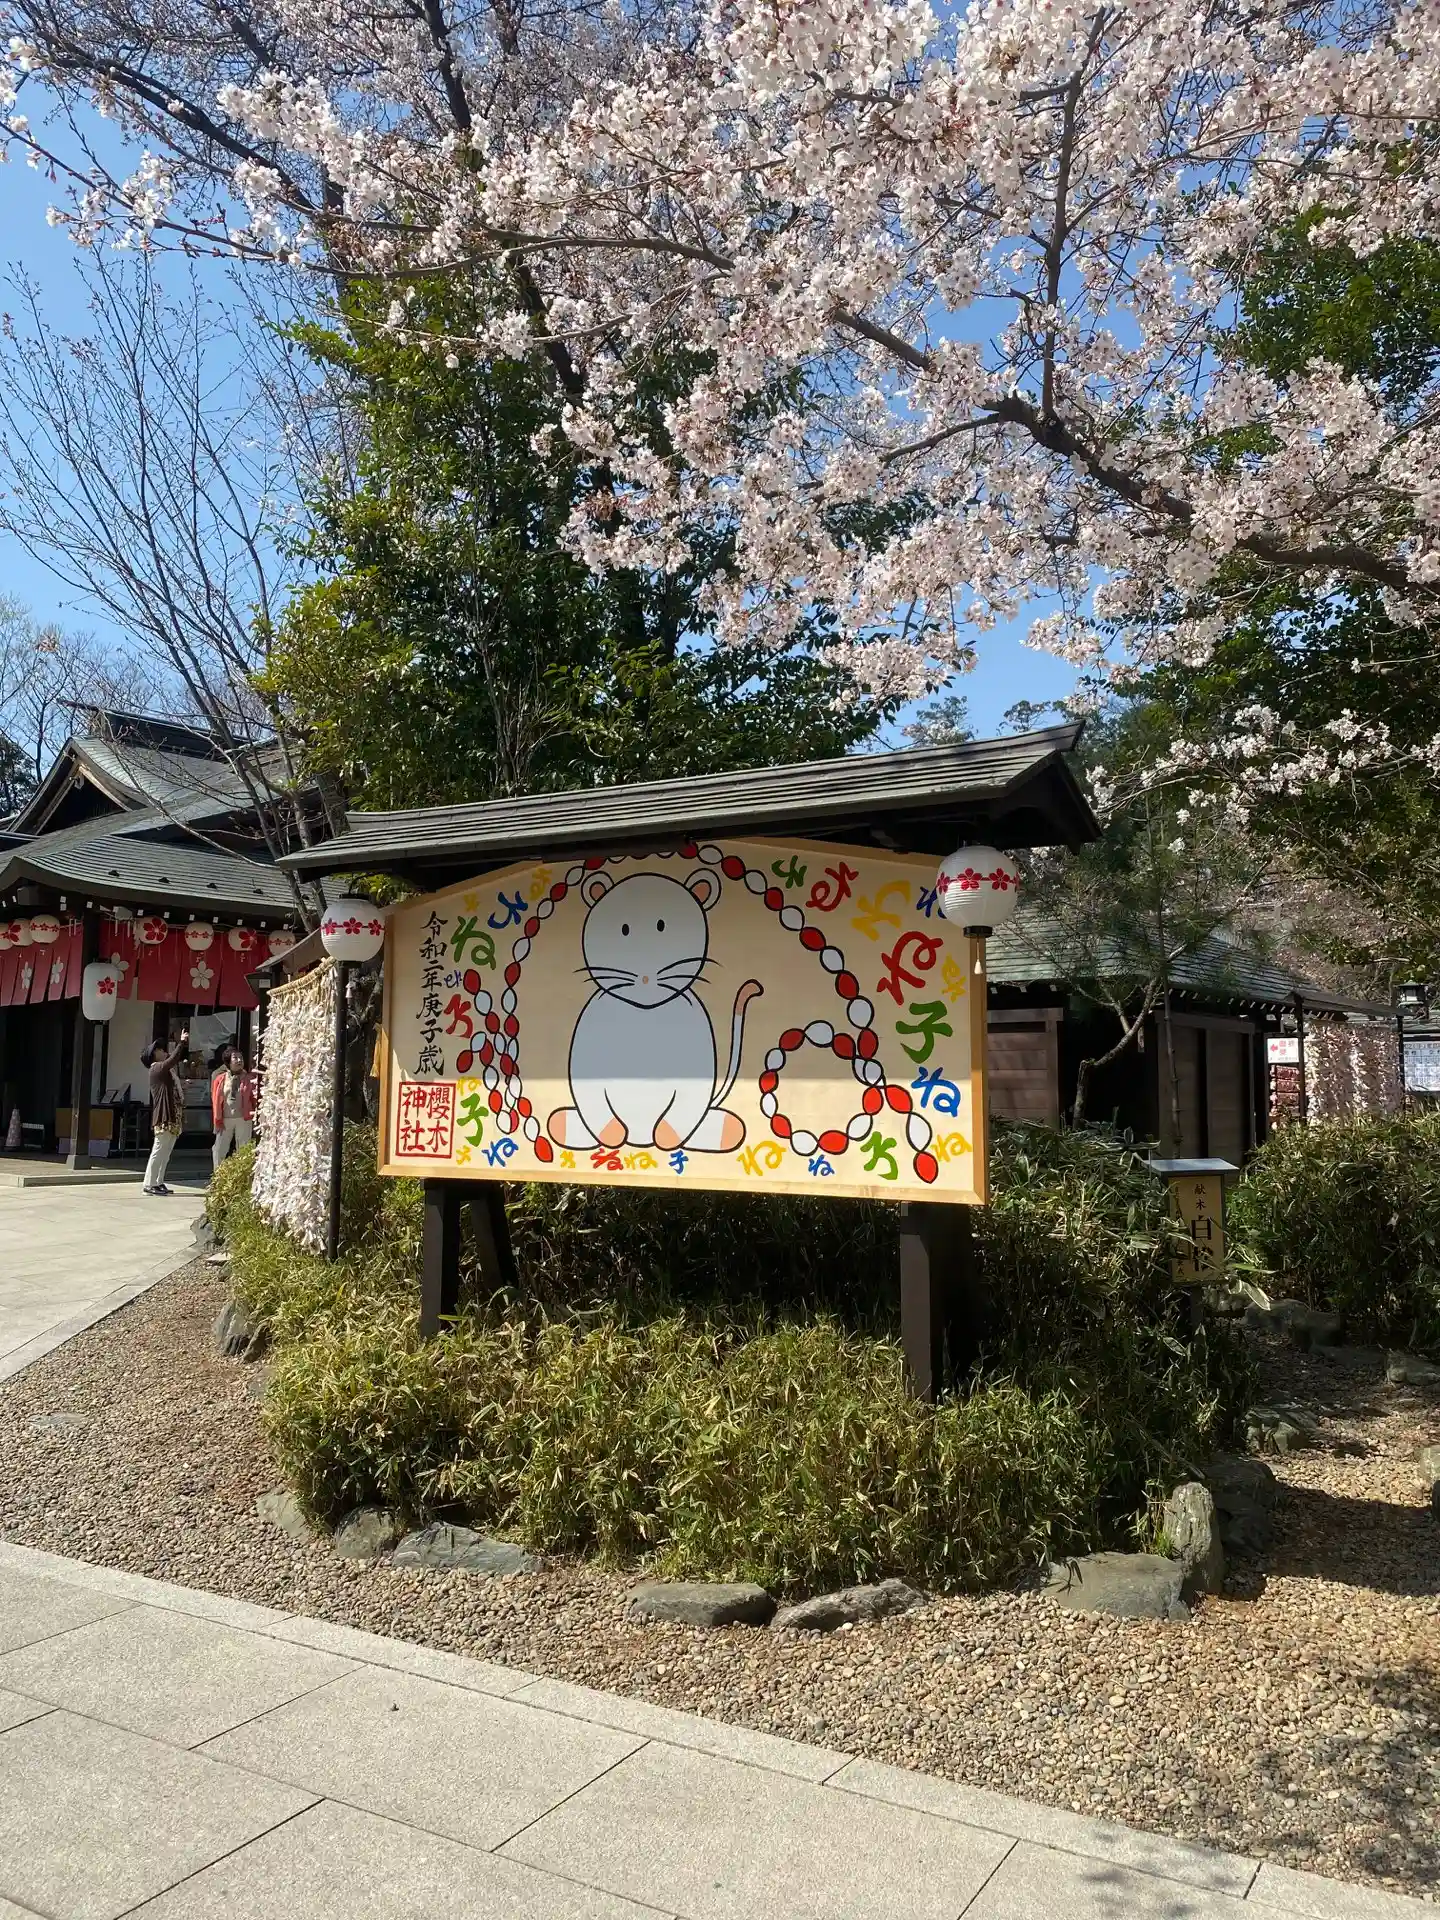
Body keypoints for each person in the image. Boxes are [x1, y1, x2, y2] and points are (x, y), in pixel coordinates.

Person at [141, 1029, 189, 1195]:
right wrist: (181, 1043)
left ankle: (158, 1181)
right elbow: (173, 1059)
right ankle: (149, 1183)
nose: (164, 1051)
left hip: (172, 1115)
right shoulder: (157, 1068)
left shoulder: (166, 1072)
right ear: (154, 1054)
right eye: (160, 1050)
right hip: (164, 1115)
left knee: (166, 1152)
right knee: (159, 1149)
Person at [210, 1045, 256, 1172]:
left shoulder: (249, 1078)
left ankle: (243, 1176)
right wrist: (217, 1119)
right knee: (219, 1149)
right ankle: (218, 1176)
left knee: (243, 1149)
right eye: (235, 1058)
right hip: (225, 1119)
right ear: (228, 1062)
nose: (239, 1060)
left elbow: (254, 1098)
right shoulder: (220, 1079)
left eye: (241, 1058)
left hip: (243, 1118)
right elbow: (215, 1099)